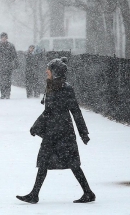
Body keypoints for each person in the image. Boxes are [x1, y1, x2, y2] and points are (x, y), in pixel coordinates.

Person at [16, 57, 95, 204]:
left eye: (49, 69)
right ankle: (34, 194)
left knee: (72, 164)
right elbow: (48, 111)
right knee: (44, 161)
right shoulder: (52, 86)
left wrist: (83, 132)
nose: (46, 71)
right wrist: (36, 126)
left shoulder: (65, 88)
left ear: (56, 72)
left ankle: (88, 192)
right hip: (52, 131)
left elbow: (75, 111)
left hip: (63, 132)